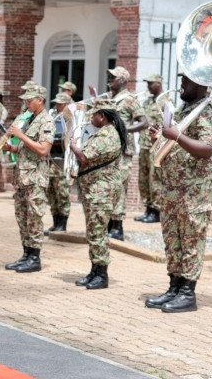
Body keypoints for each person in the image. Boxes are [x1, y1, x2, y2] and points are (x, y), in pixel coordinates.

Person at [144, 74, 212, 312]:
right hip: (172, 187)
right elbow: (175, 143)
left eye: (187, 81)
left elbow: (207, 149)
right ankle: (175, 286)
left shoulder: (206, 111)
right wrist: (160, 137)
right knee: (172, 239)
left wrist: (176, 135)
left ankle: (188, 292)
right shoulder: (183, 109)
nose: (182, 85)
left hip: (194, 189)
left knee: (190, 240)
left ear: (200, 85)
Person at [70, 98, 126, 290]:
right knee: (94, 231)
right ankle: (94, 270)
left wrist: (74, 146)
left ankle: (101, 274)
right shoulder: (103, 133)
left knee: (98, 232)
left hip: (101, 191)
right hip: (95, 190)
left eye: (94, 114)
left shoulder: (107, 135)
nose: (91, 118)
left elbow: (84, 157)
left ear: (102, 116)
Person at [3, 85, 54, 272]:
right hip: (22, 177)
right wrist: (9, 148)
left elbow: (42, 150)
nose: (26, 103)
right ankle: (26, 254)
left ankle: (35, 258)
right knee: (22, 218)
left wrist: (20, 135)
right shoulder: (30, 119)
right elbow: (25, 151)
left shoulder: (46, 121)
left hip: (35, 179)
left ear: (40, 99)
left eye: (29, 100)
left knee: (34, 218)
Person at [105, 66, 147, 240]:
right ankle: (108, 222)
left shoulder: (129, 99)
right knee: (108, 186)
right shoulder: (109, 98)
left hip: (123, 150)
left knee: (119, 186)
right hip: (107, 149)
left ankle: (117, 226)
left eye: (113, 77)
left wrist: (124, 128)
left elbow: (144, 122)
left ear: (122, 80)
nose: (109, 80)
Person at [134, 74, 164, 224]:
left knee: (155, 179)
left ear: (158, 84)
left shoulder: (165, 102)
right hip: (144, 145)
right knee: (144, 178)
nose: (148, 86)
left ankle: (156, 210)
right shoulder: (146, 102)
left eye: (151, 83)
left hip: (156, 146)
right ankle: (148, 208)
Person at [45, 92, 73, 233]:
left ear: (67, 105)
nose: (57, 106)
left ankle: (62, 224)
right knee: (51, 193)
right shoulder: (53, 117)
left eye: (60, 104)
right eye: (56, 103)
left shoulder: (72, 120)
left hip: (63, 163)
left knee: (62, 194)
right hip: (50, 161)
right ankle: (55, 222)